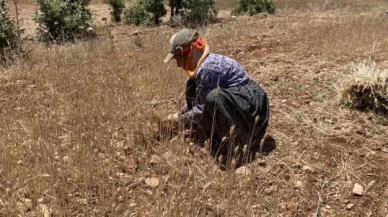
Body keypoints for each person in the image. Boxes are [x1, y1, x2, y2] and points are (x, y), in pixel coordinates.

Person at [163, 28, 270, 167]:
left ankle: (236, 141)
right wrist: (178, 114)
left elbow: (201, 108)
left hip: (250, 105)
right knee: (192, 85)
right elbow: (200, 99)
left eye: (179, 58)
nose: (178, 64)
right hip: (236, 99)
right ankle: (210, 131)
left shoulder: (208, 68)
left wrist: (178, 120)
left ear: (189, 53)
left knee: (214, 98)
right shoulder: (202, 66)